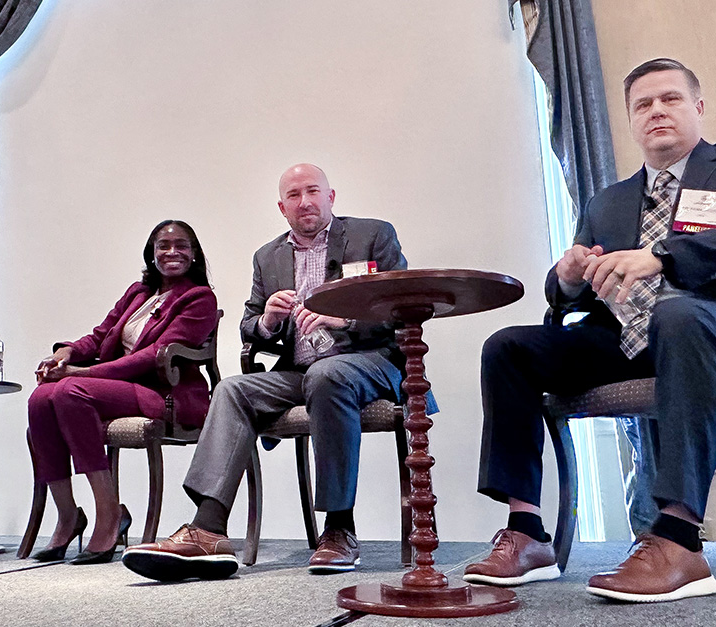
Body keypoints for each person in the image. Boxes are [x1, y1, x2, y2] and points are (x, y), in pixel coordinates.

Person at [465, 58, 716, 602]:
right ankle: (527, 532)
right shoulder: (607, 201)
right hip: (629, 340)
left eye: (670, 99)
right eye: (643, 104)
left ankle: (680, 539)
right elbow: (577, 285)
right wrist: (565, 279)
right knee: (509, 347)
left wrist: (662, 254)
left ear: (698, 108)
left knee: (679, 314)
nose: (656, 110)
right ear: (631, 121)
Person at [123, 163, 428, 582]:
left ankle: (339, 528)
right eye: (295, 196)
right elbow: (249, 325)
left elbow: (402, 307)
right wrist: (266, 320)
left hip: (370, 362)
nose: (305, 202)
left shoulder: (372, 236)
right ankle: (208, 528)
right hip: (300, 371)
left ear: (331, 196)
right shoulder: (268, 257)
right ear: (282, 207)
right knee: (231, 389)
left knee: (330, 375)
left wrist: (344, 320)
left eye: (313, 192)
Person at [26, 220, 218, 565]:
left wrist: (83, 372)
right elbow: (100, 337)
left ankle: (109, 515)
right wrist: (65, 353)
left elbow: (153, 355)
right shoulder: (137, 294)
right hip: (115, 388)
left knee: (71, 390)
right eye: (163, 245)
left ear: (194, 255)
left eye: (181, 245)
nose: (172, 252)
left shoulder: (199, 298)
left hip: (165, 394)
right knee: (41, 398)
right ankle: (68, 516)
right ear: (152, 253)